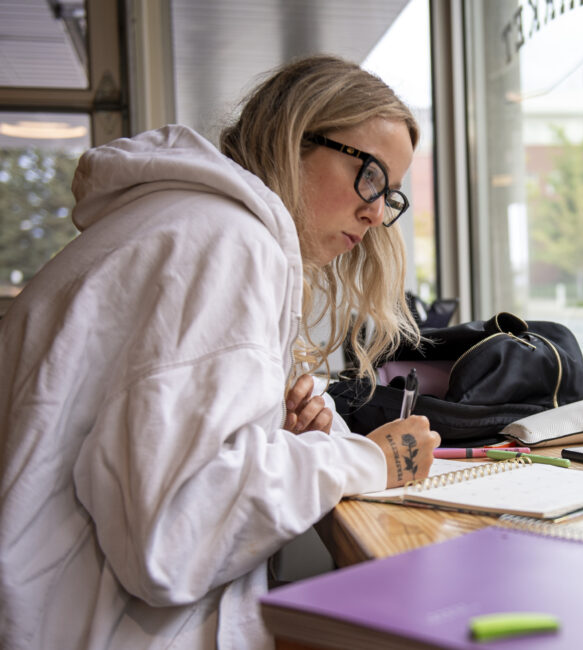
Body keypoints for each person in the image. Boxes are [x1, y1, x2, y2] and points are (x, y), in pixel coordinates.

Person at [0, 55, 442, 649]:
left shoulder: (183, 224)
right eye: (369, 175)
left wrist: (270, 435)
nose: (375, 210)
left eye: (390, 194)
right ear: (296, 137)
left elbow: (143, 452)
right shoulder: (228, 243)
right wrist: (369, 461)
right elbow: (171, 538)